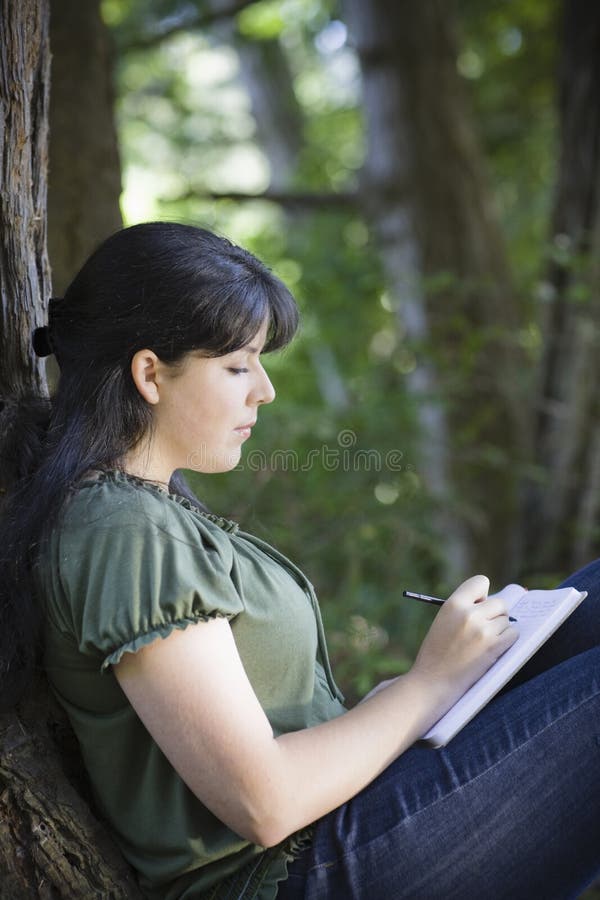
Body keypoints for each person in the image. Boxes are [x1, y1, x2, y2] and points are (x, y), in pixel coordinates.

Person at [0, 221, 599, 900]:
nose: (264, 390)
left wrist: (407, 698)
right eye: (236, 366)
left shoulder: (148, 513)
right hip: (300, 875)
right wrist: (428, 683)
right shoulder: (124, 532)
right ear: (149, 373)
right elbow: (265, 804)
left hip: (341, 824)